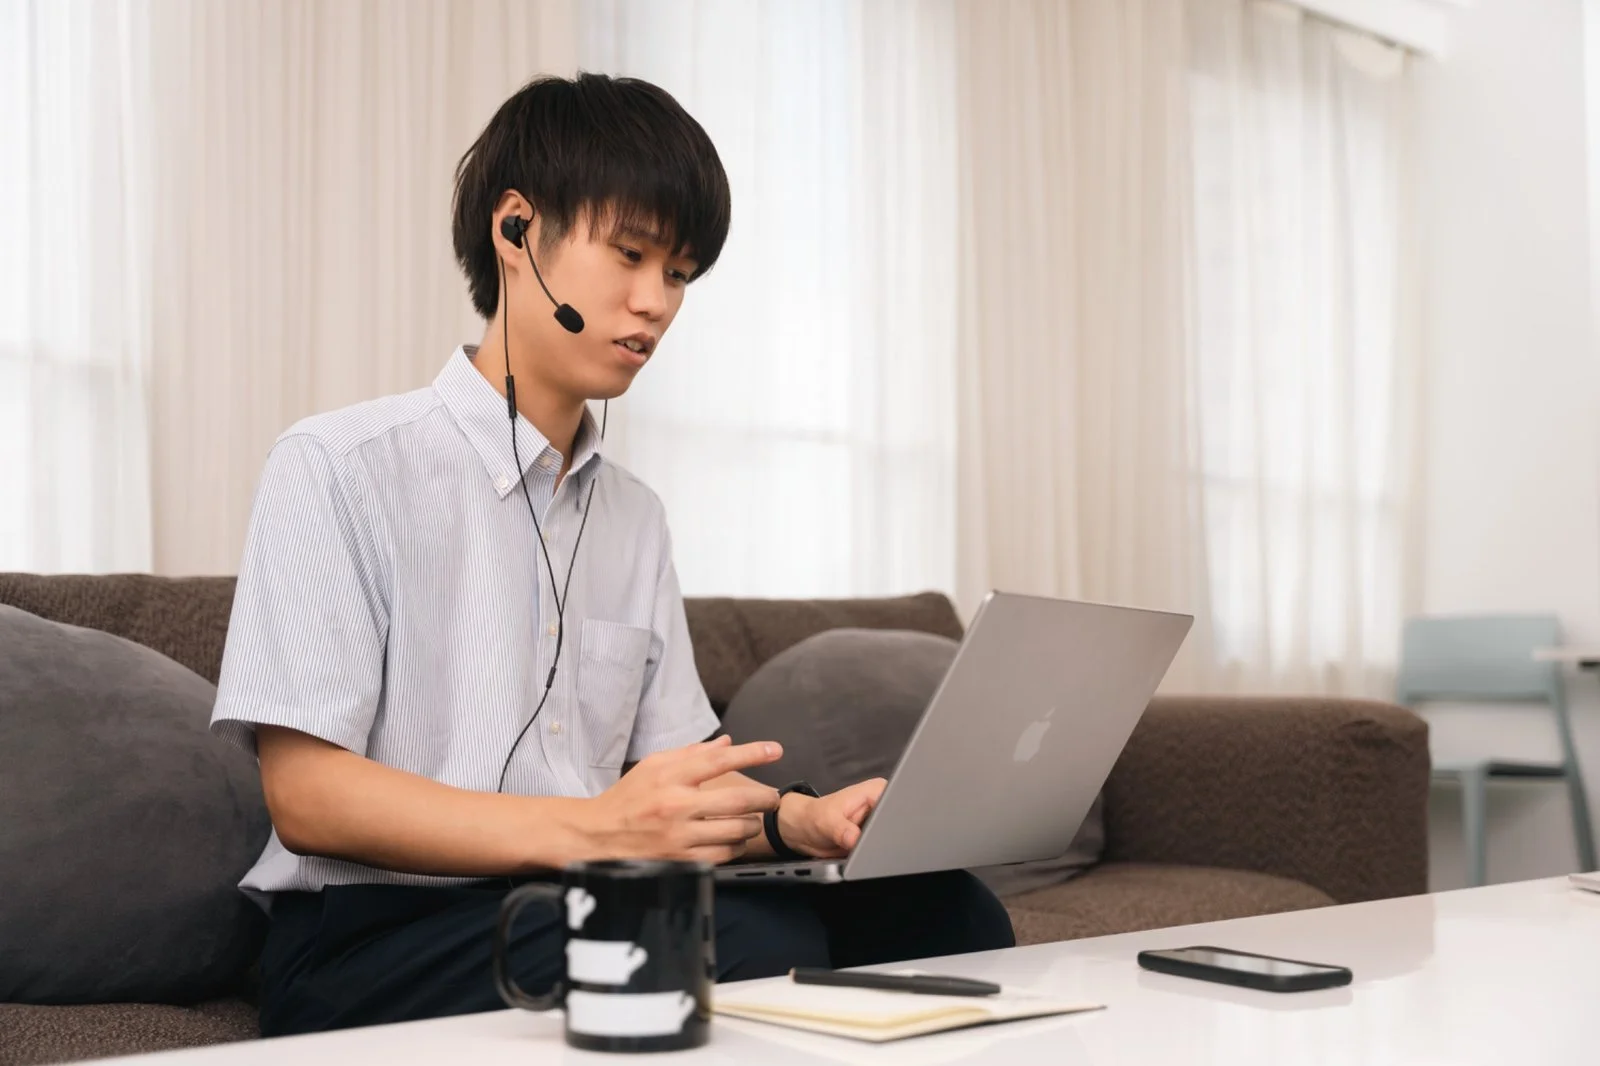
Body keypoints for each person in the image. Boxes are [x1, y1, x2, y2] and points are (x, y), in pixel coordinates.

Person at [210, 72, 1014, 1037]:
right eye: (629, 254)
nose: (655, 304)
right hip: (372, 934)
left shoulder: (633, 516)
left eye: (676, 274)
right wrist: (596, 828)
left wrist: (791, 819)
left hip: (585, 896)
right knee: (747, 945)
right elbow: (307, 796)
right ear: (516, 233)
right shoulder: (337, 466)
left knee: (949, 910)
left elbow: (679, 774)